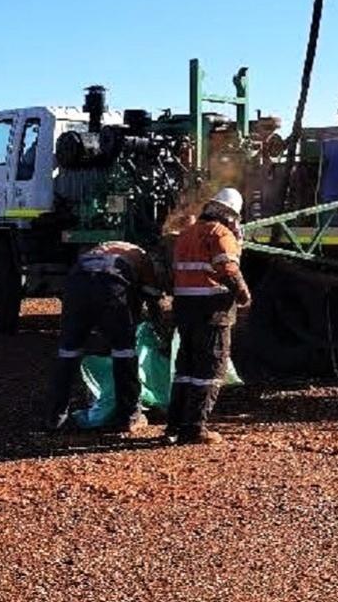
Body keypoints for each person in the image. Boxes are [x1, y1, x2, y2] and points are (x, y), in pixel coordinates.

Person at [45, 240, 161, 434]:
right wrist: (157, 328)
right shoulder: (140, 255)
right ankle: (129, 417)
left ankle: (55, 418)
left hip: (76, 286)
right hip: (111, 286)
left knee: (68, 353)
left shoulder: (98, 250)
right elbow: (152, 293)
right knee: (124, 353)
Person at [166, 187, 251, 444]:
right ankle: (194, 429)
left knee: (186, 368)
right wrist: (243, 294)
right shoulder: (220, 233)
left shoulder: (186, 234)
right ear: (230, 214)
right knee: (210, 368)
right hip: (211, 309)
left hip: (185, 308)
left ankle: (174, 425)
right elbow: (227, 268)